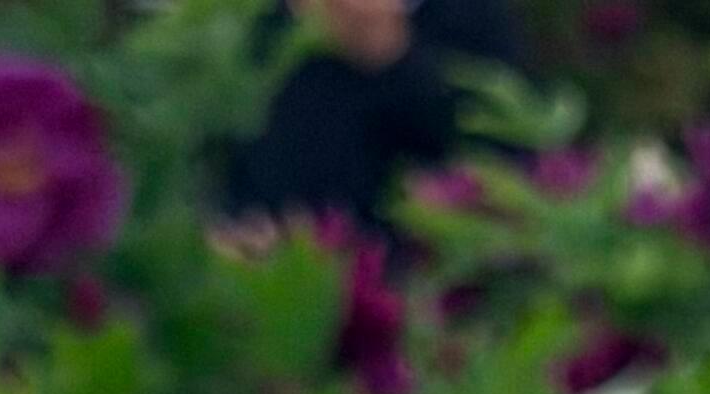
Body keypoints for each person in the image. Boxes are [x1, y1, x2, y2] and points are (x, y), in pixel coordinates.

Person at [221, 0, 528, 227]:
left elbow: (503, 164)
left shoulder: (470, 17)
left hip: (417, 288)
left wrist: (392, 57)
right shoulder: (247, 25)